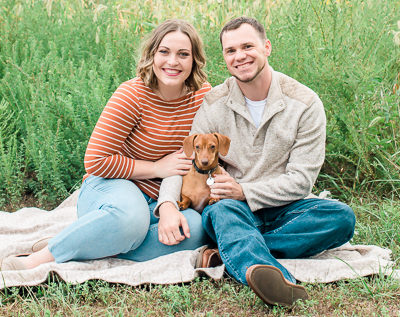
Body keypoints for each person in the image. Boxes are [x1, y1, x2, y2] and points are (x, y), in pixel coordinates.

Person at [156, 16, 356, 308]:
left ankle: (228, 251)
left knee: (341, 218)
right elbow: (184, 162)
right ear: (224, 57)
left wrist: (245, 190)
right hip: (230, 207)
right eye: (231, 51)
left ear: (267, 47)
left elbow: (301, 180)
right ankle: (276, 279)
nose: (240, 57)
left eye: (247, 46)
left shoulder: (305, 103)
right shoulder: (214, 103)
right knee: (222, 214)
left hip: (287, 206)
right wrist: (168, 205)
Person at [1, 19, 211, 271]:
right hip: (111, 186)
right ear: (152, 55)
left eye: (183, 54)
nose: (172, 62)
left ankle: (91, 240)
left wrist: (167, 205)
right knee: (131, 220)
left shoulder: (201, 97)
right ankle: (39, 258)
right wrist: (156, 168)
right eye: (164, 52)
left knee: (196, 229)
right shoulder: (131, 95)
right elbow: (96, 162)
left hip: (161, 196)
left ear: (194, 60)